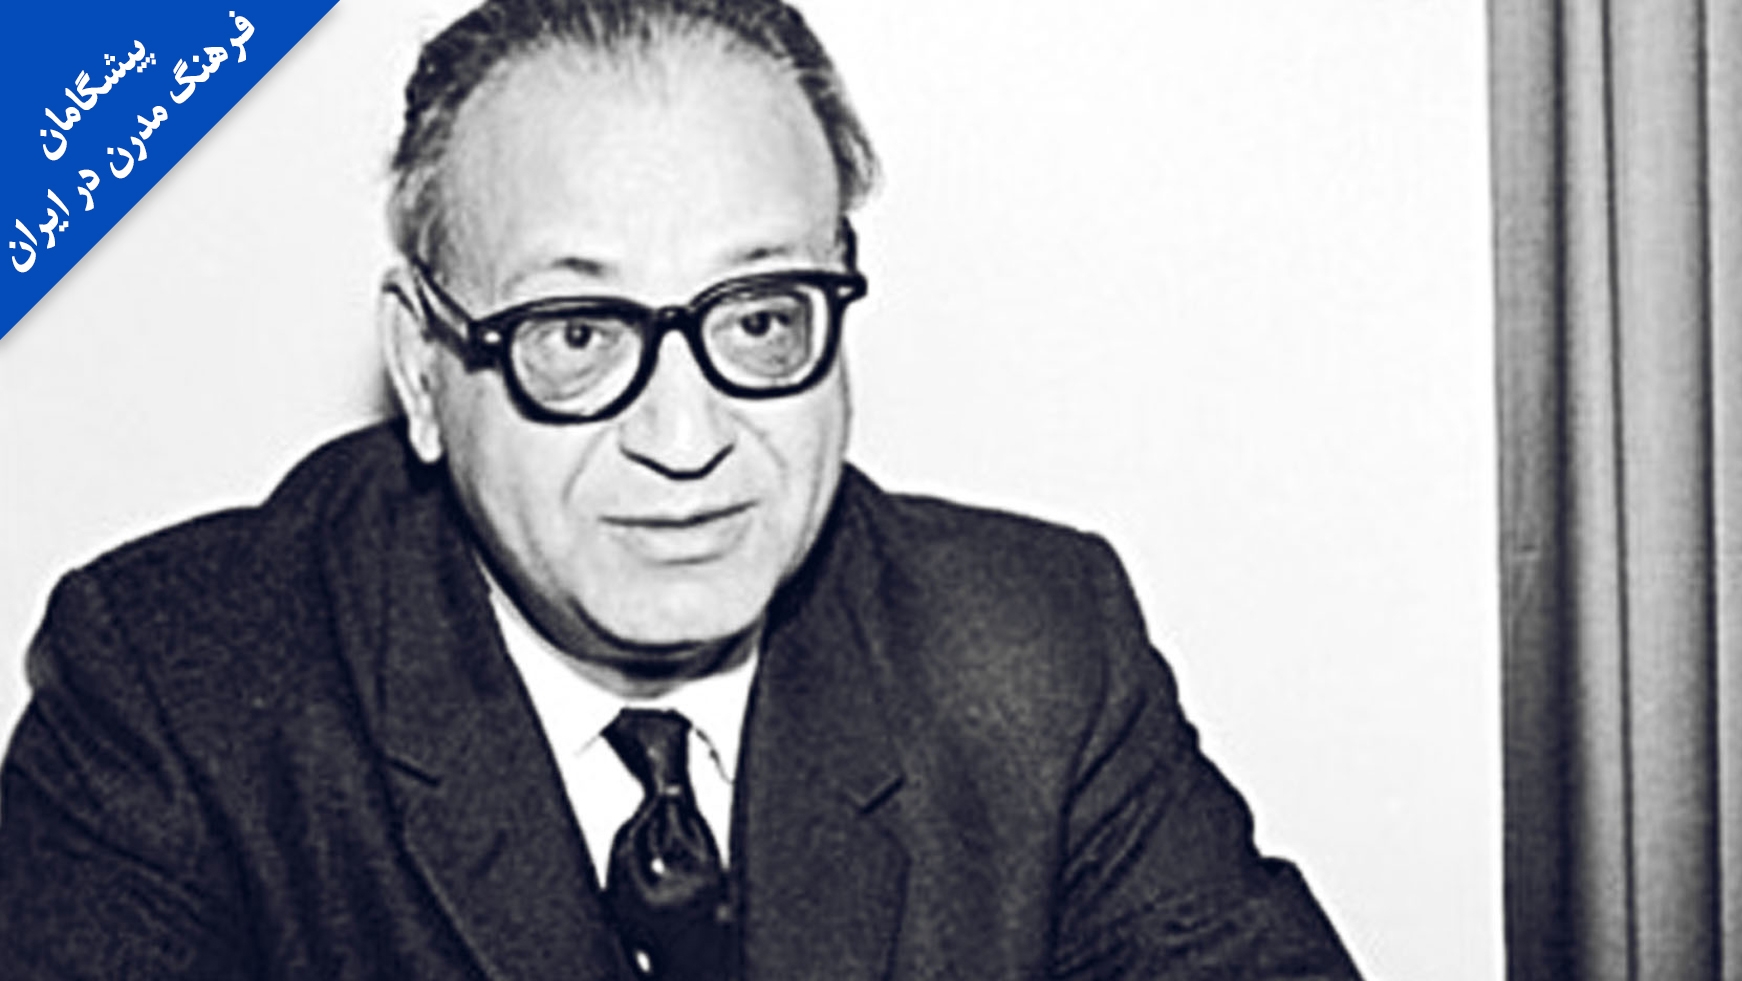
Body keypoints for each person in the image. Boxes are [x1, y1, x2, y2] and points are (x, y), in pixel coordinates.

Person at [0, 0, 1361, 977]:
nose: (686, 436)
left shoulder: (1034, 648)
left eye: (758, 317)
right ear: (421, 366)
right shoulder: (178, 691)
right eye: (576, 334)